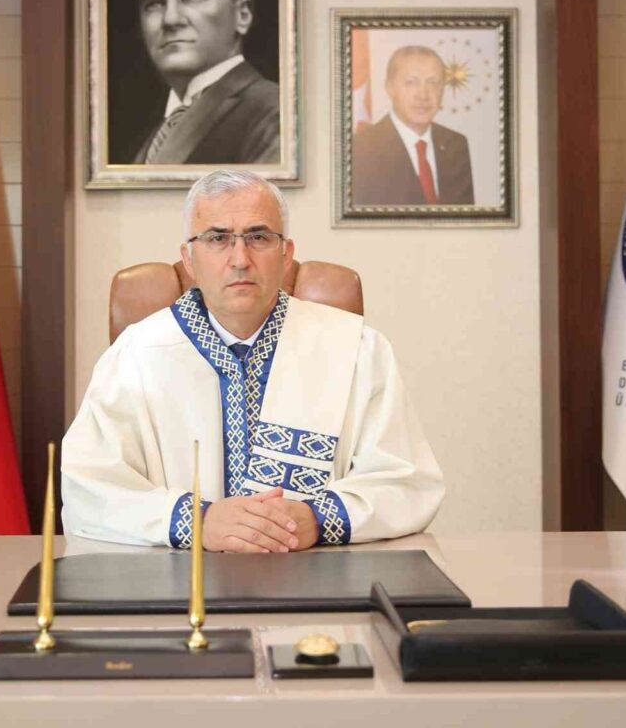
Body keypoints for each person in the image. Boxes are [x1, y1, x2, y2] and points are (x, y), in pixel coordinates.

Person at [61, 169, 444, 551]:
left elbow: (408, 484)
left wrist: (316, 519)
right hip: (178, 581)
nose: (240, 259)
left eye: (258, 237)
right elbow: (88, 491)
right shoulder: (135, 356)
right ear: (189, 258)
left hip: (320, 578)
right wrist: (197, 522)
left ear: (286, 254)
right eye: (217, 239)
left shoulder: (357, 349)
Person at [130, 0, 280, 165]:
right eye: (154, 4)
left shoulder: (275, 112)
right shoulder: (155, 131)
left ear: (242, 15)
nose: (170, 19)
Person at [352, 45, 474, 206]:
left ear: (442, 90)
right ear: (390, 88)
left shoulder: (456, 144)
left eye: (433, 83)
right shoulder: (361, 149)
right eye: (411, 83)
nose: (423, 95)